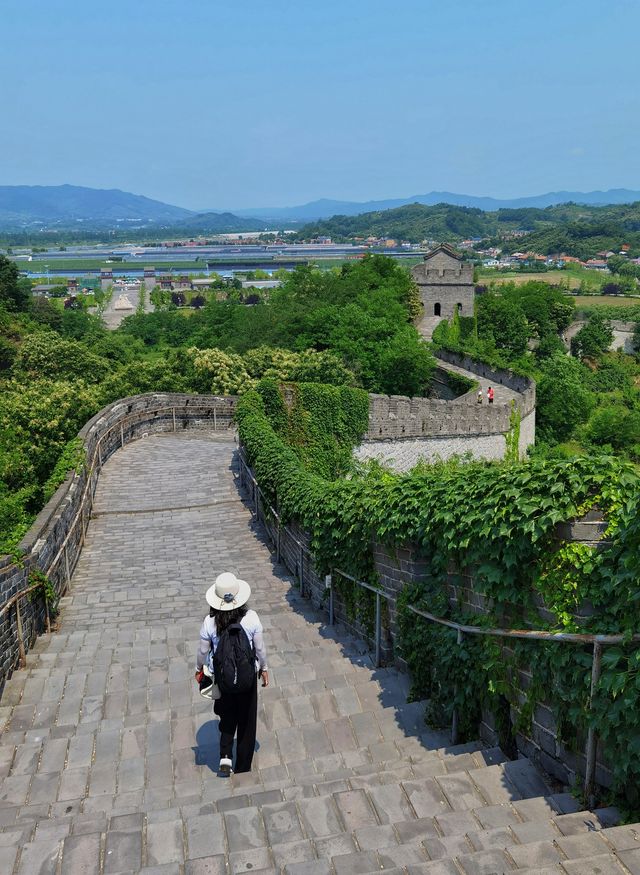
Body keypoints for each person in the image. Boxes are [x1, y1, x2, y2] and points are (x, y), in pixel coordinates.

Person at [195, 572, 268, 775]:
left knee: (227, 716)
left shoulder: (210, 622)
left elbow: (202, 651)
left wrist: (198, 669)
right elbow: (260, 649)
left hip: (223, 677)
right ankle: (243, 765)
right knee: (246, 719)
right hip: (247, 677)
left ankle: (225, 756)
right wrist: (264, 669)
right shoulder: (251, 618)